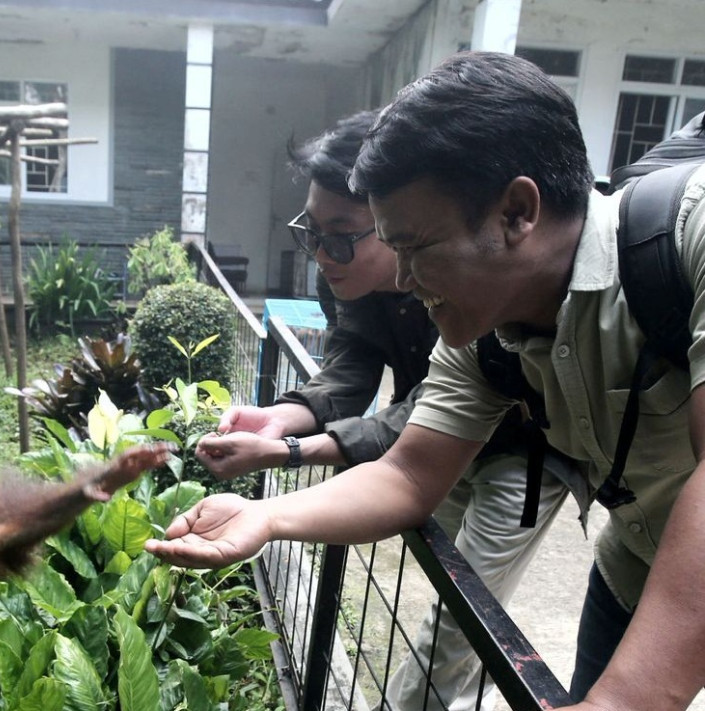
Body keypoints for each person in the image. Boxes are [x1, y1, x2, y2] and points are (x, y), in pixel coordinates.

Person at [146, 50, 705, 711]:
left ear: (516, 212)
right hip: (635, 566)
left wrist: (624, 699)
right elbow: (409, 473)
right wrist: (266, 517)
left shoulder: (688, 237)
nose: (402, 279)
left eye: (414, 247)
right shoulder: (485, 327)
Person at [195, 109, 581, 711]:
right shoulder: (350, 274)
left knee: (456, 627)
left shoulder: (468, 285)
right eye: (311, 231)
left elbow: (425, 408)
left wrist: (291, 453)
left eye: (342, 233)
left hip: (519, 453)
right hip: (431, 446)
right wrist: (282, 421)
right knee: (461, 601)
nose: (321, 254)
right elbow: (355, 369)